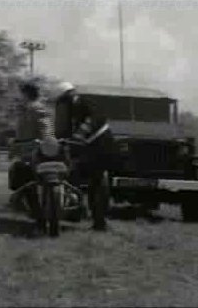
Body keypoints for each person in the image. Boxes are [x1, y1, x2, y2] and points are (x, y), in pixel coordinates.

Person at [54, 81, 117, 231]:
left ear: (69, 95)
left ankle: (99, 222)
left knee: (97, 185)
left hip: (102, 147)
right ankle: (77, 212)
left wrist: (78, 134)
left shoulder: (87, 103)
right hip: (87, 148)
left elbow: (94, 121)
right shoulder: (72, 108)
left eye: (63, 100)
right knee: (76, 179)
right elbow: (66, 128)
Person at [8, 78, 55, 229]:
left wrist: (44, 141)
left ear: (27, 94)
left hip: (36, 152)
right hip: (26, 151)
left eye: (21, 93)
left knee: (26, 179)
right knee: (24, 180)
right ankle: (35, 212)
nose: (19, 96)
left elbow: (45, 128)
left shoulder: (37, 108)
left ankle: (39, 215)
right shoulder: (26, 109)